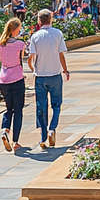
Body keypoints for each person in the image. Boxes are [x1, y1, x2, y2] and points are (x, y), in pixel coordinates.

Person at [28, 9, 70, 150]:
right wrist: (65, 69)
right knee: (56, 105)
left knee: (41, 106)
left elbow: (32, 56)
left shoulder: (35, 36)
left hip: (40, 76)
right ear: (51, 19)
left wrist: (34, 69)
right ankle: (52, 128)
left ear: (39, 21)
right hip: (55, 74)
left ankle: (43, 136)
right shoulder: (58, 34)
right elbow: (61, 55)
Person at [0, 17, 26, 151]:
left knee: (8, 108)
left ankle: (5, 130)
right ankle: (15, 141)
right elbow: (21, 58)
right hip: (17, 77)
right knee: (18, 110)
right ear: (16, 29)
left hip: (4, 80)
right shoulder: (20, 44)